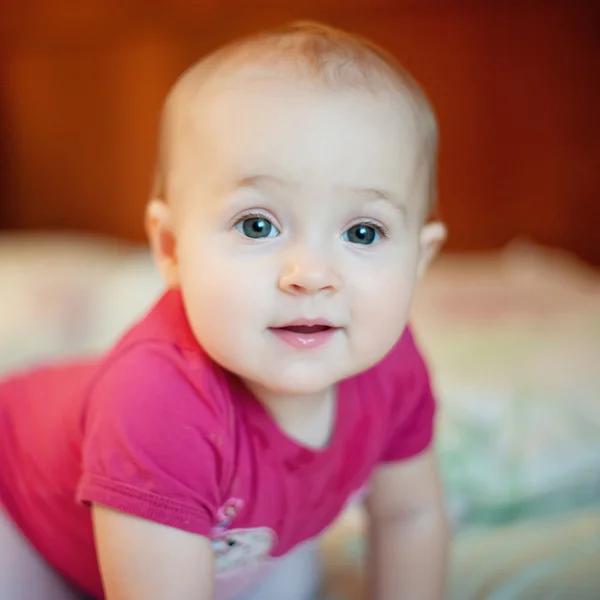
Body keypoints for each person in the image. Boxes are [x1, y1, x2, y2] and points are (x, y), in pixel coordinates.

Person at [0, 20, 449, 600]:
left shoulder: (393, 366)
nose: (311, 274)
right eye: (257, 224)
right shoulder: (156, 402)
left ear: (419, 258)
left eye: (363, 232)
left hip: (235, 540)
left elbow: (409, 516)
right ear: (171, 249)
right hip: (19, 513)